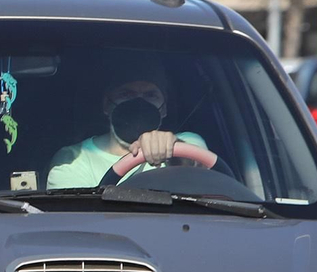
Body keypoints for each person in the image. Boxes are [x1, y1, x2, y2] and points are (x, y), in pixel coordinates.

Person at [46, 68, 206, 189]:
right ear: (107, 105)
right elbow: (78, 224)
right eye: (126, 94)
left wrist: (174, 149)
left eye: (151, 95)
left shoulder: (187, 144)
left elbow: (204, 181)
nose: (139, 103)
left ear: (164, 108)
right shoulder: (75, 159)